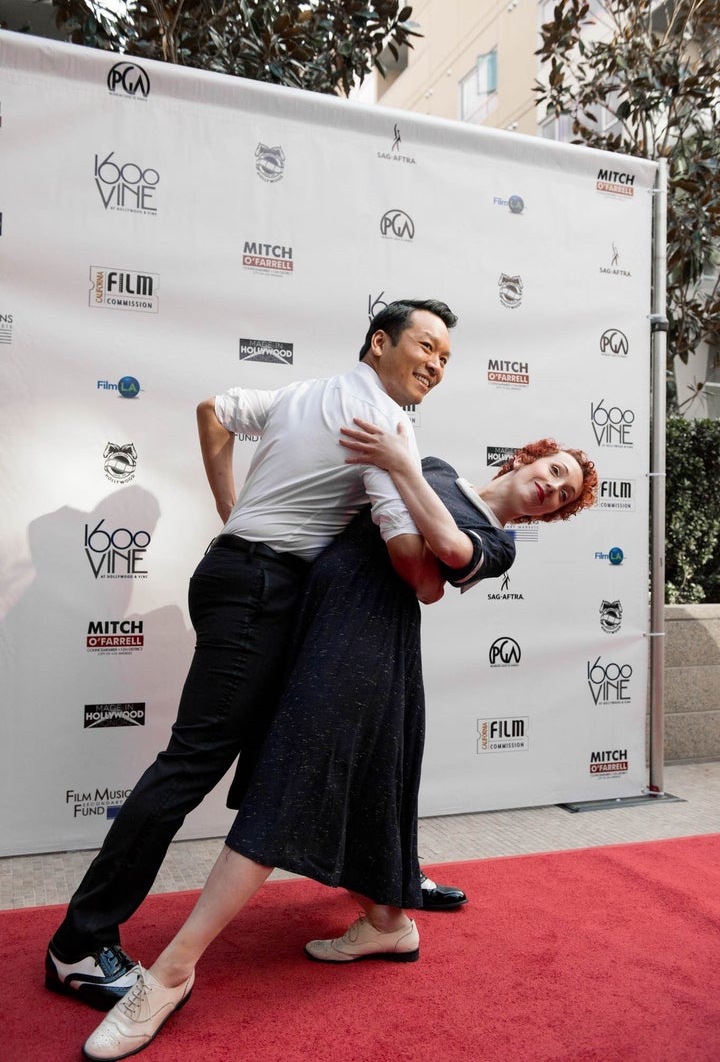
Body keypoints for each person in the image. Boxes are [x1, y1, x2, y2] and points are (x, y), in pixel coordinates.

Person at [81, 431, 597, 1062]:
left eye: (564, 496)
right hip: (305, 630)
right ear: (526, 457)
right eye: (554, 471)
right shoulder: (433, 466)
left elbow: (439, 565)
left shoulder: (497, 544)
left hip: (365, 651)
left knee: (280, 800)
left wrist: (397, 466)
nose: (552, 489)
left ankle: (168, 976)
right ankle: (388, 924)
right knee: (350, 802)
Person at [46, 299, 460, 1013]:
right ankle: (79, 944)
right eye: (425, 346)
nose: (435, 364)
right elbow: (412, 564)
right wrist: (463, 543)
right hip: (260, 591)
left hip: (239, 578)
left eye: (446, 358)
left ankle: (388, 889)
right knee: (191, 763)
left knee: (298, 745)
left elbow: (213, 409)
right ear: (379, 341)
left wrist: (231, 508)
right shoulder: (385, 425)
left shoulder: (303, 392)